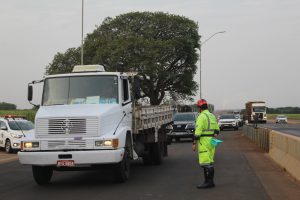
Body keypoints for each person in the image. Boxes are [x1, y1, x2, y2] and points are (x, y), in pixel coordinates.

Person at [192, 99, 220, 189]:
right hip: (212, 141)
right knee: (209, 162)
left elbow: (198, 132)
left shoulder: (201, 117)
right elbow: (217, 129)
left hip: (203, 141)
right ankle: (209, 181)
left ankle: (209, 183)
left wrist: (194, 143)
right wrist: (214, 134)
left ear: (200, 108)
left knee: (205, 163)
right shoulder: (212, 116)